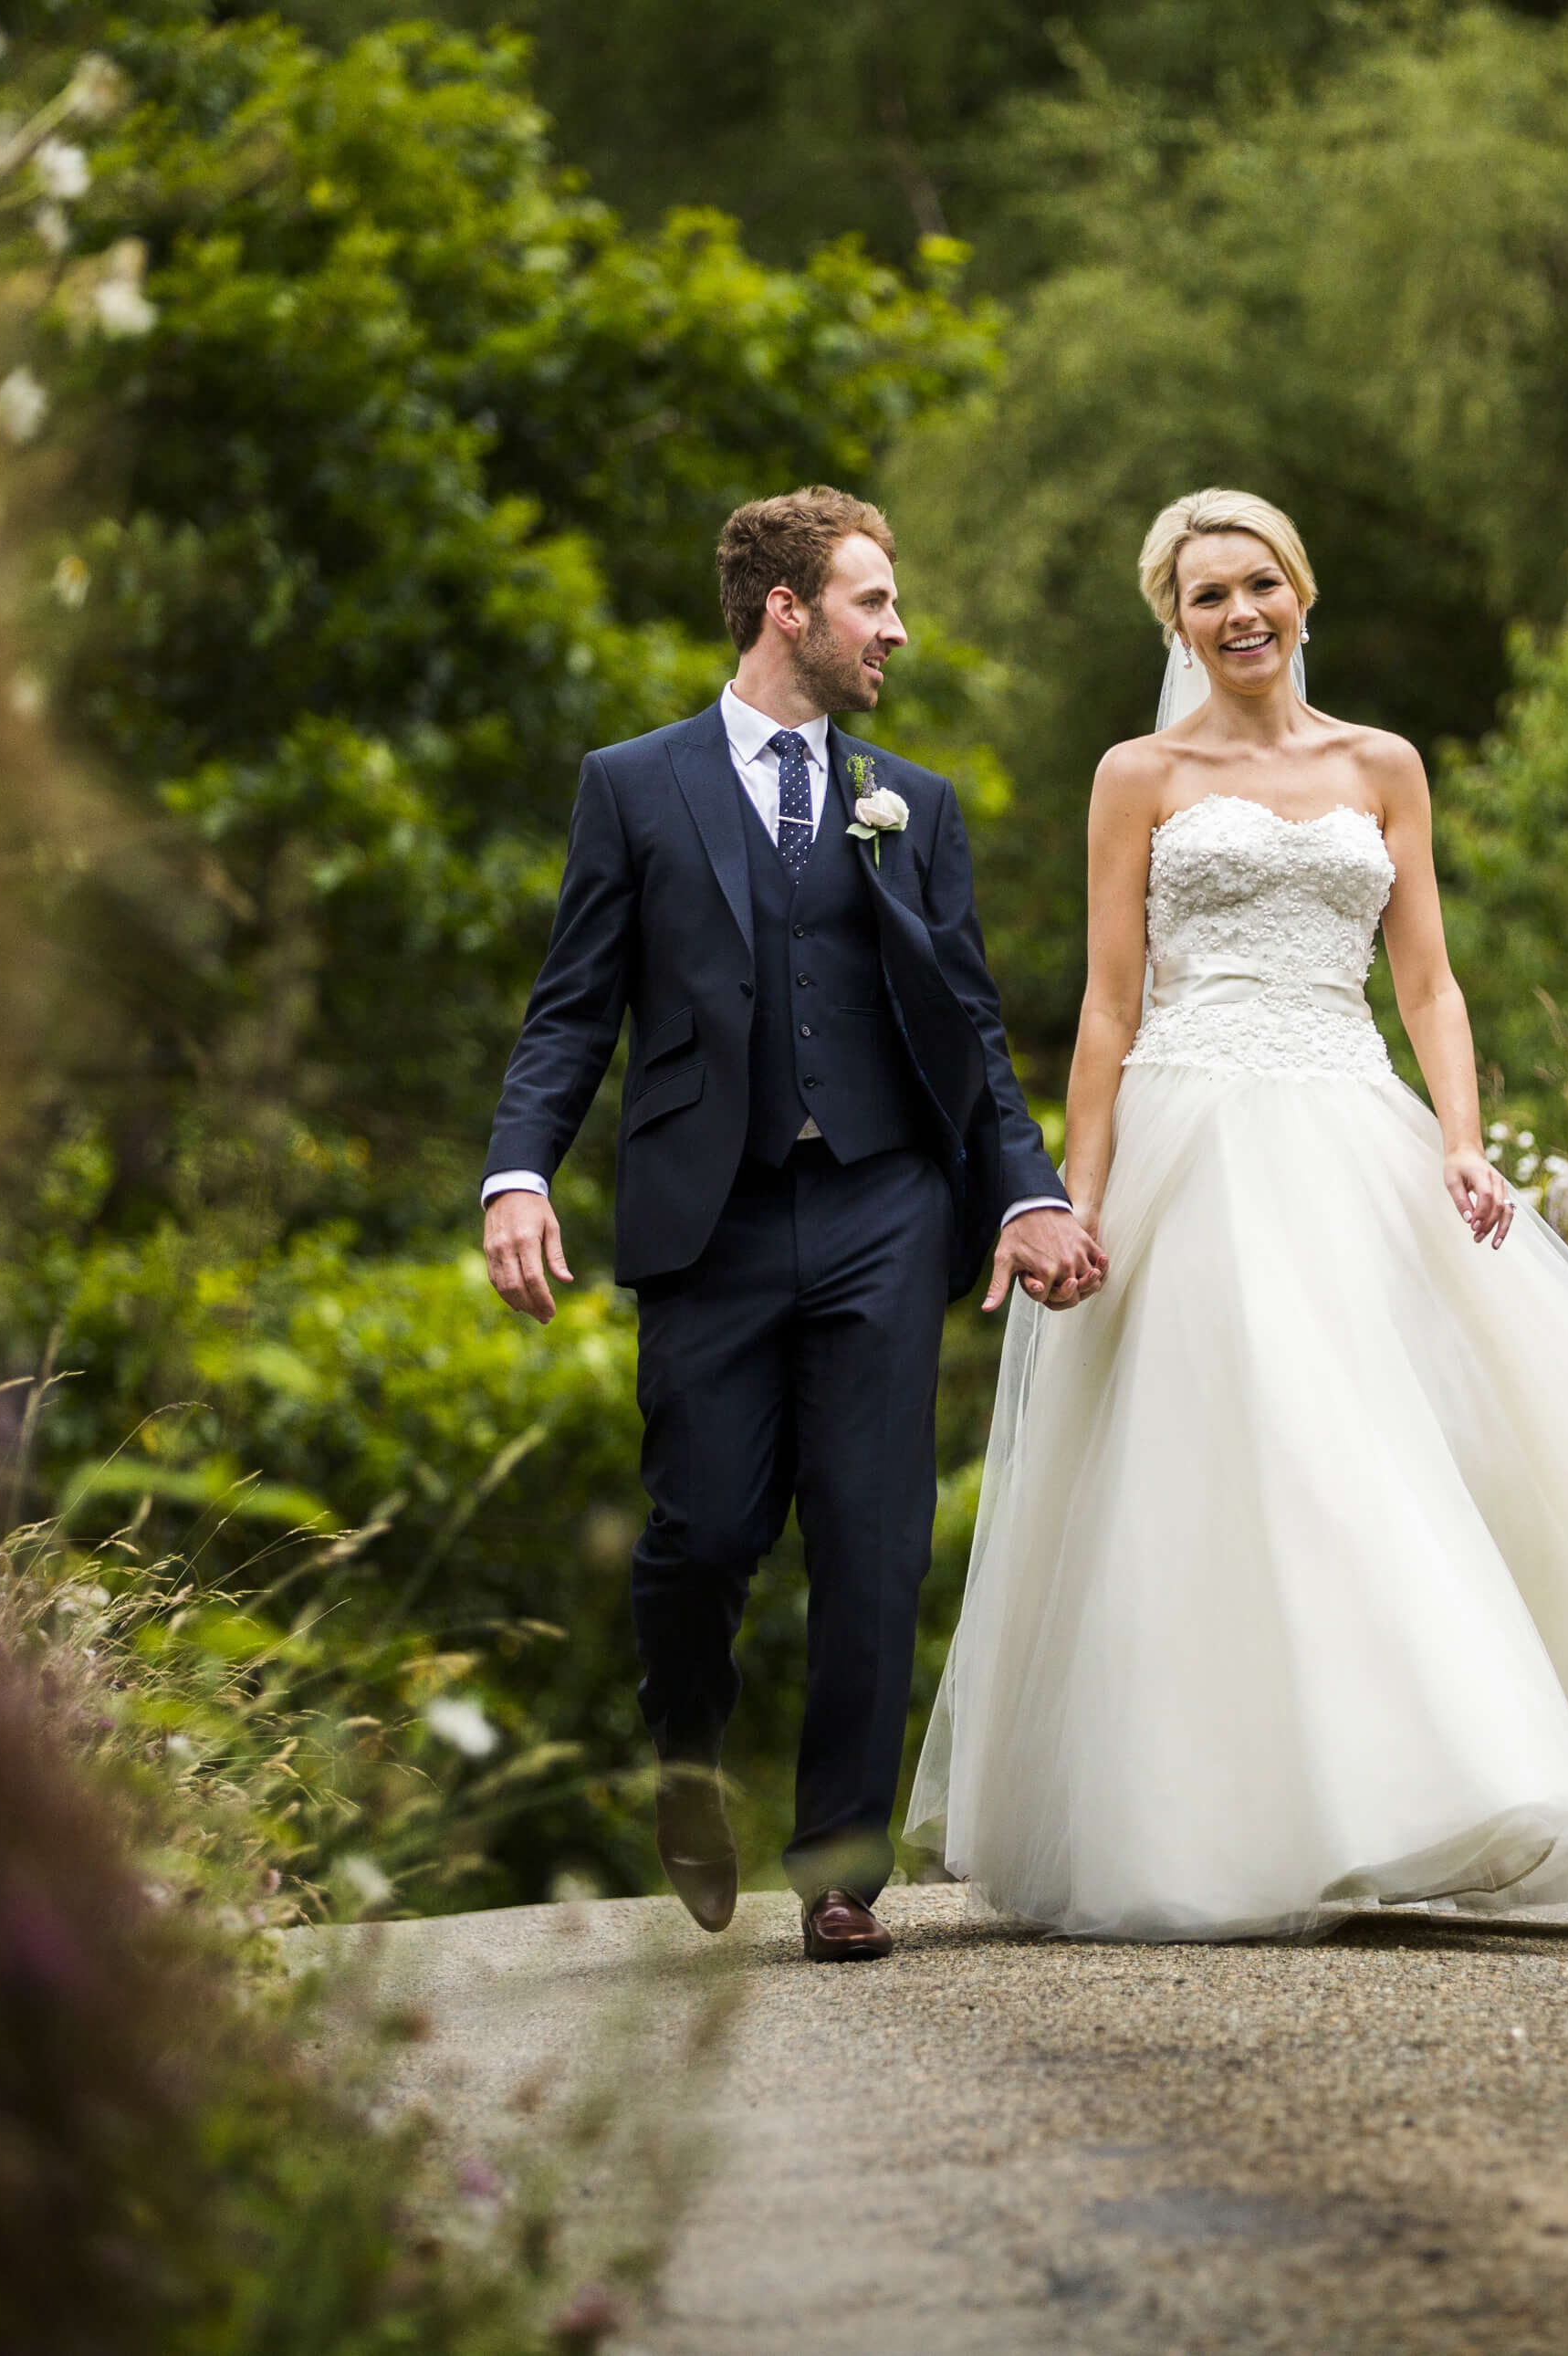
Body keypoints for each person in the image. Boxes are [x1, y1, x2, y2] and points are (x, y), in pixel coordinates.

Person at [904, 488, 1568, 1941]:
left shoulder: (1381, 764)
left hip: (1349, 1117)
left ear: (1302, 595)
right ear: (1176, 623)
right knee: (1239, 1465)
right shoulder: (1136, 773)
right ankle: (1257, 1810)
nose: (1240, 613)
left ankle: (1479, 1779)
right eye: (1208, 597)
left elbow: (1431, 983)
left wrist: (1463, 1141)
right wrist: (1083, 1192)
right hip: (1190, 1125)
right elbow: (1110, 1003)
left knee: (1413, 1441)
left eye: (1260, 583)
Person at [480, 487, 1104, 1959]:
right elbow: (573, 1010)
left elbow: (968, 1025)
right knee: (700, 1537)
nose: (896, 629)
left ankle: (840, 1870)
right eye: (872, 601)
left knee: (877, 1545)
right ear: (788, 611)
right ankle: (686, 1752)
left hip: (887, 1206)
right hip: (713, 1219)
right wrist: (520, 1169)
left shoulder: (915, 805)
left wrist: (1025, 1188)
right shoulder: (634, 786)